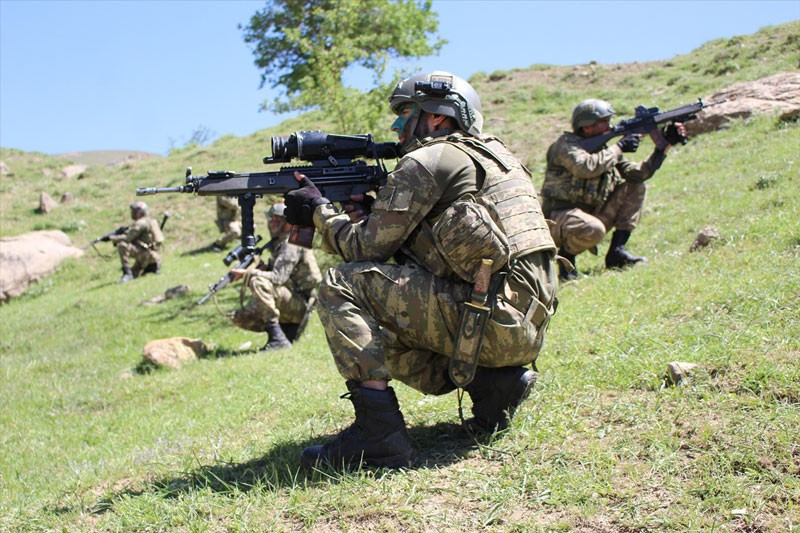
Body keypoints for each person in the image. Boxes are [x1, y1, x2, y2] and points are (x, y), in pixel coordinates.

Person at [283, 71, 558, 469]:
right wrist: (368, 215)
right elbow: (446, 254)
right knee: (383, 293)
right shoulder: (498, 157)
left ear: (438, 117)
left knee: (341, 285)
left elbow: (362, 249)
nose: (396, 125)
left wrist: (318, 211)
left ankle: (378, 436)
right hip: (523, 326)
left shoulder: (429, 159)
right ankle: (493, 385)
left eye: (405, 112)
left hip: (491, 322)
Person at [540, 99, 687, 280]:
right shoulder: (565, 145)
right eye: (604, 122)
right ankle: (567, 261)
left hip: (590, 215)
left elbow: (637, 174)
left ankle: (616, 253)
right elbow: (585, 167)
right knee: (593, 229)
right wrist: (619, 147)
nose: (610, 126)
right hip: (558, 219)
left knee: (635, 187)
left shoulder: (604, 150)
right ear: (587, 127)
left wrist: (663, 147)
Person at [229, 202, 322, 350]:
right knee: (239, 317)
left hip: (300, 306)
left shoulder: (292, 243)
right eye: (271, 219)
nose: (273, 223)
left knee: (258, 281)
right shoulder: (281, 242)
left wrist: (248, 273)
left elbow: (278, 278)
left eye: (277, 220)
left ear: (288, 223)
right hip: (292, 301)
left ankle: (278, 339)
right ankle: (282, 334)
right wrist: (262, 267)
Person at [105, 201, 164, 284]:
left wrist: (110, 238)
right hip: (153, 256)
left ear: (140, 212)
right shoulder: (150, 221)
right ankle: (150, 268)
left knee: (122, 245)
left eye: (134, 211)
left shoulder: (140, 223)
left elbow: (127, 238)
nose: (132, 213)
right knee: (135, 273)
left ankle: (127, 274)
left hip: (146, 255)